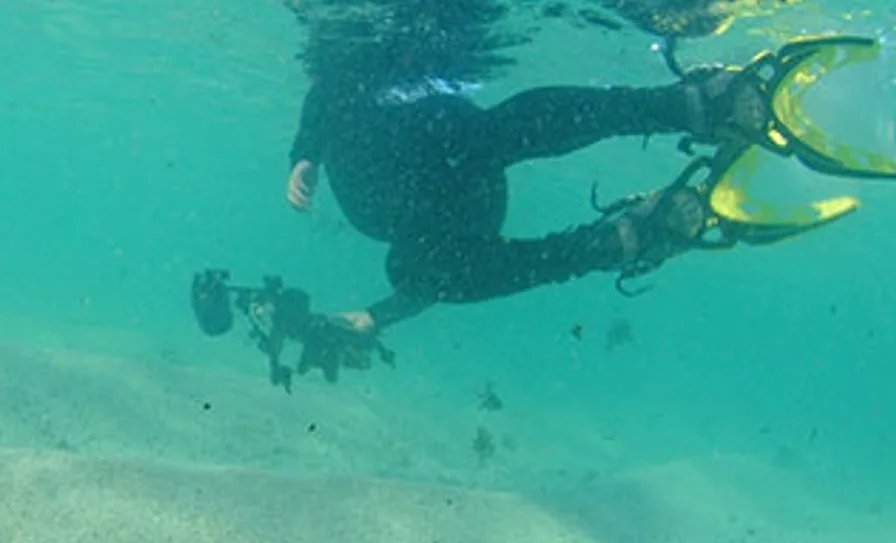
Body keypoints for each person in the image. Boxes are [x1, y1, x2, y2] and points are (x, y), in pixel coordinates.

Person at [284, 57, 769, 335]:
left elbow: (330, 86)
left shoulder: (348, 85)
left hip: (439, 145)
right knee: (415, 267)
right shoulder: (344, 102)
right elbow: (434, 278)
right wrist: (377, 316)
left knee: (480, 138)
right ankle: (617, 240)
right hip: (447, 205)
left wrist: (303, 154)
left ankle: (681, 107)